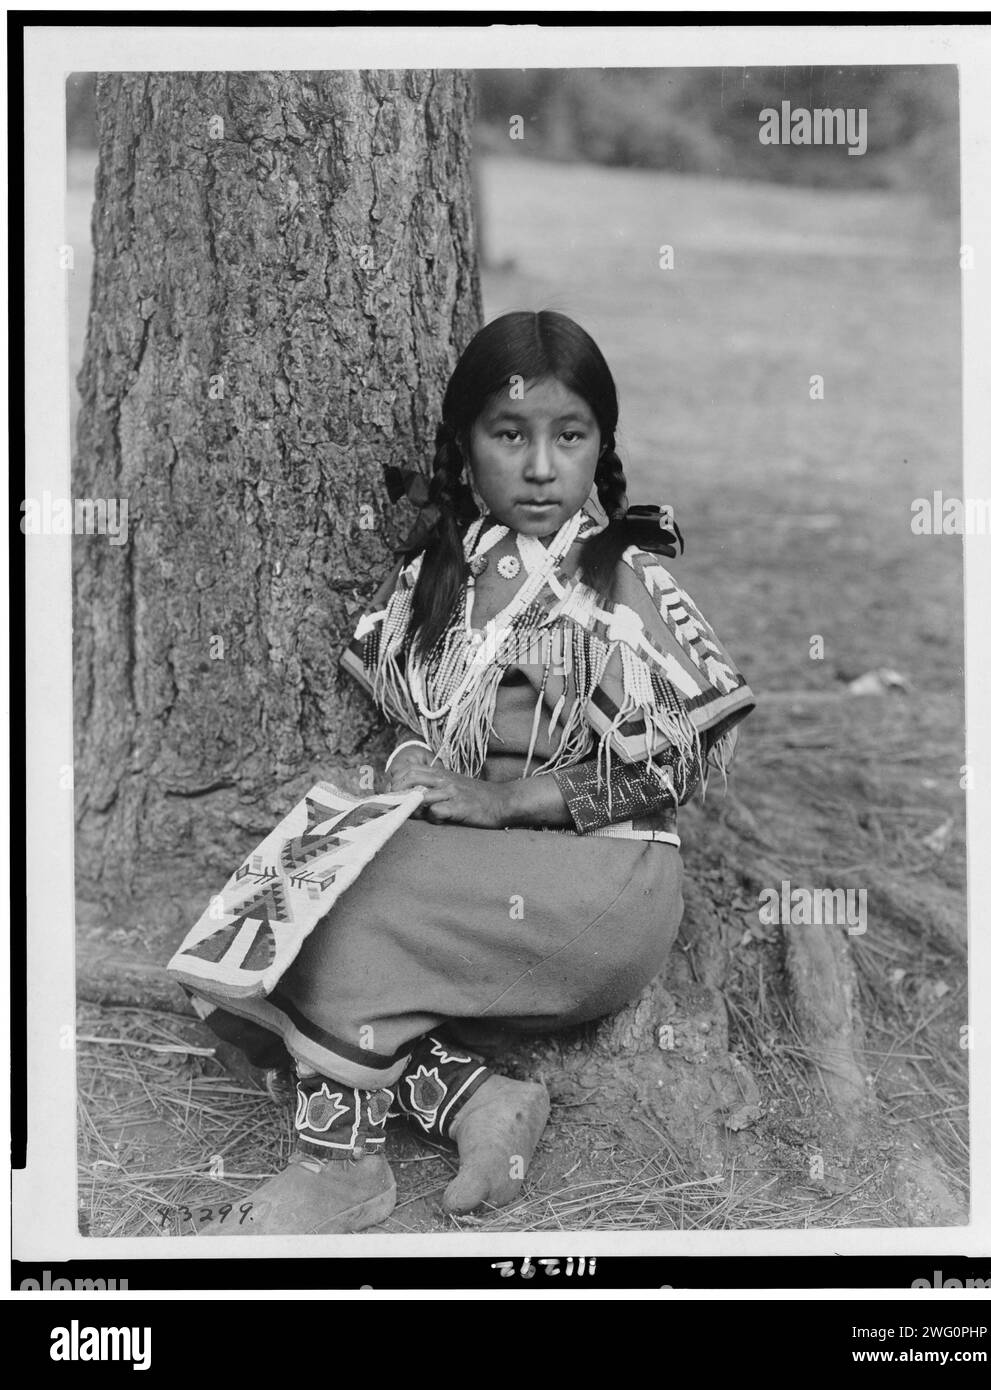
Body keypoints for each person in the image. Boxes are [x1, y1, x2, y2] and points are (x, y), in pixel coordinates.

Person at [186, 309, 755, 1235]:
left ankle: (339, 1170)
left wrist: (501, 803)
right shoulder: (442, 570)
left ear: (599, 446)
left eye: (568, 437)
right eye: (509, 435)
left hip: (602, 879)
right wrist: (415, 763)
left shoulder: (620, 580)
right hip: (491, 871)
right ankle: (480, 1102)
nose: (540, 466)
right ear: (465, 447)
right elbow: (416, 713)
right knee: (252, 914)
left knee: (346, 910)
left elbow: (675, 768)